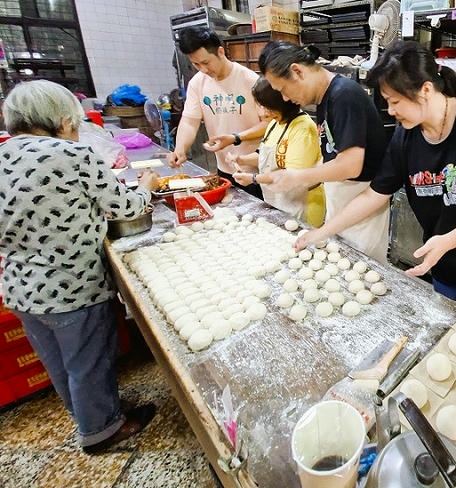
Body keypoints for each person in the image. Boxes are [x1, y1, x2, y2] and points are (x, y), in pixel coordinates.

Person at [295, 40, 456, 303]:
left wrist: (447, 240)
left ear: (426, 89)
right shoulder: (405, 137)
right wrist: (323, 231)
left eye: (395, 101)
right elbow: (375, 195)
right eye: (387, 102)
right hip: (444, 264)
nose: (391, 111)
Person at [0, 80, 161, 453]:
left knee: (61, 363)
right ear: (60, 119)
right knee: (88, 362)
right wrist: (146, 186)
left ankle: (86, 413)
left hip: (22, 287)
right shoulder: (73, 155)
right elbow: (125, 206)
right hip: (73, 286)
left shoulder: (3, 155)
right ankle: (102, 431)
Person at [258, 41, 390, 262]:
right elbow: (333, 155)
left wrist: (298, 177)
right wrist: (301, 179)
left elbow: (350, 164)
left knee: (362, 272)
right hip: (341, 200)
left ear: (297, 71)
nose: (285, 99)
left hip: (362, 205)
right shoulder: (324, 98)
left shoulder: (344, 95)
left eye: (283, 90)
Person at [167, 26, 266, 199]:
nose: (203, 69)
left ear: (220, 51)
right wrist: (180, 148)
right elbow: (190, 121)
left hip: (255, 169)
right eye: (196, 64)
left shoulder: (250, 80)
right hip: (224, 168)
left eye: (206, 62)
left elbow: (269, 124)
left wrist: (236, 137)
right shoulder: (197, 83)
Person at [230, 78, 325, 227]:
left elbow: (292, 176)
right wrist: (242, 159)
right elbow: (267, 155)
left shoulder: (302, 128)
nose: (262, 112)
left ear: (282, 103)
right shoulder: (275, 123)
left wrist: (254, 178)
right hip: (279, 203)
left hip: (302, 206)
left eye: (267, 107)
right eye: (260, 105)